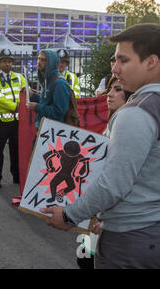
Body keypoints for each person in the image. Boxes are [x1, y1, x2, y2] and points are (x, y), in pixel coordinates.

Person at [41, 23, 160, 269]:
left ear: (151, 62)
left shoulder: (136, 113)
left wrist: (69, 215)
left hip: (129, 240)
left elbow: (113, 184)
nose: (115, 70)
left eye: (123, 60)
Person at [76, 74, 133, 269]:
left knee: (87, 259)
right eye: (110, 89)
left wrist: (102, 218)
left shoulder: (128, 129)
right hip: (98, 214)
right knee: (84, 258)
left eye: (118, 90)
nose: (110, 95)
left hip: (111, 219)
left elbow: (119, 181)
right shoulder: (113, 123)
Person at [0, 49, 26, 188]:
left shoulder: (19, 77)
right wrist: (14, 107)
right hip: (1, 122)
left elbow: (25, 93)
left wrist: (19, 107)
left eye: (9, 61)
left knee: (16, 150)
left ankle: (16, 176)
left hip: (17, 122)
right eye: (4, 61)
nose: (7, 64)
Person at [28, 49, 71, 130]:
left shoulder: (60, 83)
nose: (39, 62)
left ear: (51, 63)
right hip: (44, 129)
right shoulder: (48, 79)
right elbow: (46, 100)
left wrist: (37, 107)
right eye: (38, 58)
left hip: (53, 132)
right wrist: (32, 95)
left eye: (43, 60)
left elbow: (58, 112)